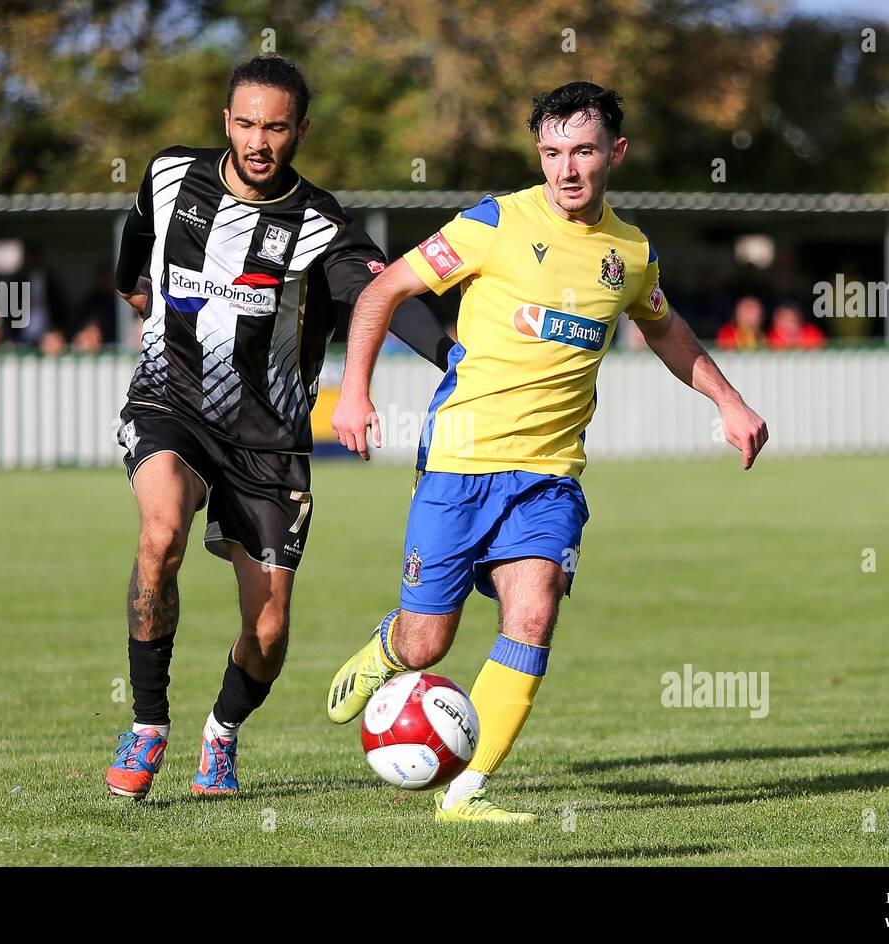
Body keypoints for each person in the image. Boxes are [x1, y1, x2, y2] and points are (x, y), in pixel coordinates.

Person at [325, 82, 767, 823]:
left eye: (584, 151)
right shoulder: (492, 223)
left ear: (614, 155)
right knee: (430, 641)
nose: (567, 169)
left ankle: (466, 793)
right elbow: (383, 291)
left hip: (550, 477)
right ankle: (389, 650)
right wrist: (353, 390)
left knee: (532, 616)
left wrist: (727, 400)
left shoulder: (629, 253)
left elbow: (664, 329)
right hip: (461, 461)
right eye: (553, 152)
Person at [104, 55, 452, 801]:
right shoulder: (171, 175)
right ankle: (147, 725)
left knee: (265, 636)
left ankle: (220, 734)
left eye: (276, 127)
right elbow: (138, 229)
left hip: (269, 446)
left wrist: (451, 356)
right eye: (245, 123)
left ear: (299, 130)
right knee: (160, 534)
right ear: (225, 120)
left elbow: (387, 295)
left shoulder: (322, 227)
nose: (258, 141)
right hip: (171, 404)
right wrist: (133, 284)